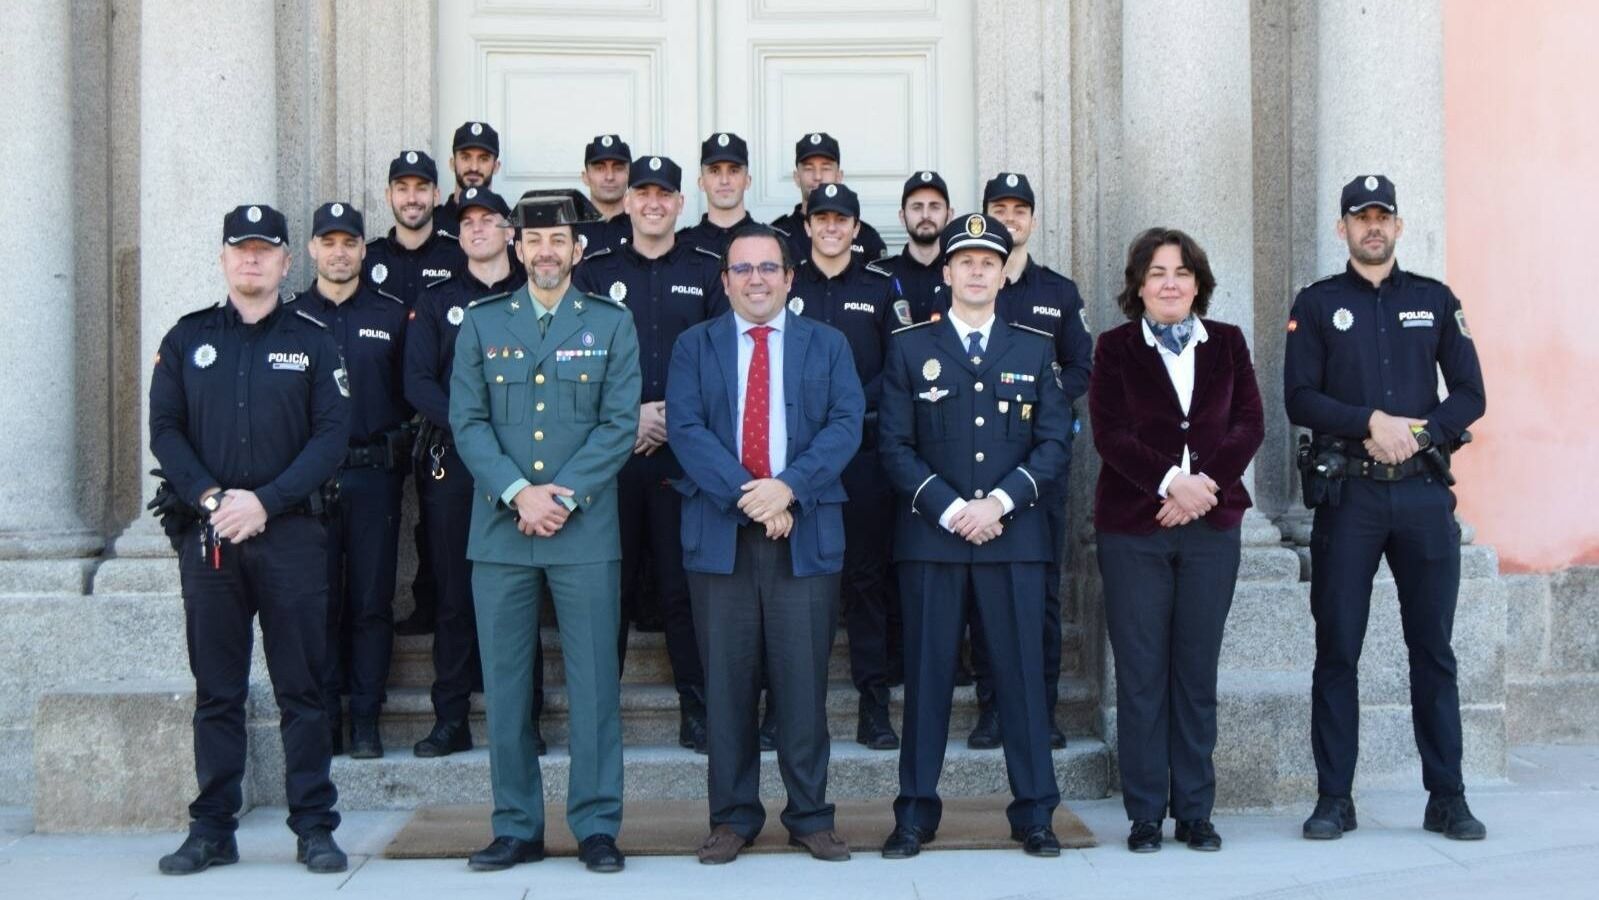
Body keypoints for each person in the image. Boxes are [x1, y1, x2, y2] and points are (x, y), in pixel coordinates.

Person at [1285, 174, 1488, 842]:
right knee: (1336, 648)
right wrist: (1371, 417)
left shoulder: (1433, 301)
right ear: (1341, 229)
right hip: (1350, 497)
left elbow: (1467, 393)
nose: (1371, 227)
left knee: (1431, 650)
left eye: (1382, 217)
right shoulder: (1316, 306)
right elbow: (1299, 398)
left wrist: (1420, 432)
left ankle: (1446, 797)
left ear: (1397, 227)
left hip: (1423, 496)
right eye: (1358, 218)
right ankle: (1333, 799)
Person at [150, 204, 351, 875]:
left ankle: (314, 826)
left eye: (265, 250)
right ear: (224, 259)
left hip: (291, 536)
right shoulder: (187, 340)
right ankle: (211, 828)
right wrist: (213, 500)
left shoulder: (316, 340)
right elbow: (166, 432)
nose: (253, 260)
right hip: (210, 539)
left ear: (286, 262)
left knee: (303, 688)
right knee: (217, 690)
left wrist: (264, 501)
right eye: (241, 249)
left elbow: (331, 438)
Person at [450, 189, 641, 873]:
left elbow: (619, 424)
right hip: (501, 531)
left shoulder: (612, 324)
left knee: (593, 684)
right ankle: (516, 826)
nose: (546, 252)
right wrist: (517, 493)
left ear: (577, 249)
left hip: (583, 531)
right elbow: (466, 421)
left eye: (558, 240)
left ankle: (595, 825)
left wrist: (557, 496)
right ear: (515, 247)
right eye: (533, 241)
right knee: (505, 687)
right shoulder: (481, 322)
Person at [668, 223, 865, 865]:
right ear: (724, 281)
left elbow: (844, 425)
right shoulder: (693, 346)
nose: (757, 279)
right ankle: (732, 817)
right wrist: (751, 496)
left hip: (802, 534)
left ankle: (810, 816)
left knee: (803, 683)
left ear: (789, 277)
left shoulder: (828, 344)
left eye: (768, 268)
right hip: (721, 536)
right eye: (743, 269)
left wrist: (788, 490)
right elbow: (688, 428)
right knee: (726, 684)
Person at [878, 213, 1069, 859]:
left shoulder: (1033, 346)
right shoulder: (910, 347)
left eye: (989, 260)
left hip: (1012, 539)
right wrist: (953, 507)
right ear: (947, 273)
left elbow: (1052, 443)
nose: (978, 270)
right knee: (928, 680)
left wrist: (998, 504)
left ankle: (1035, 811)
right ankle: (913, 814)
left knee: (1020, 680)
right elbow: (895, 447)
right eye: (966, 261)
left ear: (1002, 271)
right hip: (933, 541)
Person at [1089, 227, 1264, 853]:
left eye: (1182, 272)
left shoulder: (1228, 343)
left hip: (1212, 529)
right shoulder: (1112, 348)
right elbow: (1109, 432)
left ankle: (1194, 809)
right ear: (1139, 285)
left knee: (1195, 672)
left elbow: (1249, 423)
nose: (1170, 282)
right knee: (1140, 674)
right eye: (1158, 272)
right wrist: (1170, 483)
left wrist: (1204, 486)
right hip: (1134, 531)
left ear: (1199, 283)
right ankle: (1144, 813)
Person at [573, 156, 724, 752]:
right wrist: (631, 414)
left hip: (684, 456)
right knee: (605, 588)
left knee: (681, 588)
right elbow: (578, 357)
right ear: (628, 202)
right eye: (644, 193)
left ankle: (699, 710)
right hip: (610, 452)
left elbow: (719, 358)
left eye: (665, 194)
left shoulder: (707, 271)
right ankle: (599, 717)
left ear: (681, 204)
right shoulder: (595, 272)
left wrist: (668, 419)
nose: (654, 203)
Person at [962, 171, 1094, 752]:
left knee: (1039, 591)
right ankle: (992, 709)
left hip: (1038, 468)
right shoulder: (970, 284)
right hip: (970, 465)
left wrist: (1041, 401)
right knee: (979, 591)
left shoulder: (1059, 293)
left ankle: (1040, 710)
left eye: (1020, 210)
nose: (1011, 218)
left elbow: (1082, 367)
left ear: (1033, 220)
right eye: (1000, 208)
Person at [405, 187, 532, 758]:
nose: (478, 228)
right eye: (468, 221)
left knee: (522, 594)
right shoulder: (436, 302)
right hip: (455, 464)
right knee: (456, 596)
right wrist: (474, 430)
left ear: (511, 232)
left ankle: (524, 721)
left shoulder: (535, 294)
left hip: (526, 467)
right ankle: (450, 717)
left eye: (490, 220)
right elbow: (418, 384)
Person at [789, 182, 903, 749]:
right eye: (822, 218)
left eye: (842, 220)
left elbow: (900, 363)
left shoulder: (881, 289)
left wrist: (847, 411)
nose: (831, 228)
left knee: (865, 582)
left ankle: (873, 707)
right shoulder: (784, 284)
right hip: (794, 461)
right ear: (806, 225)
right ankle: (778, 711)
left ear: (857, 230)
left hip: (862, 457)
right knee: (790, 583)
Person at [300, 201, 413, 760]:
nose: (339, 253)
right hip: (307, 484)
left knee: (371, 602)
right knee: (316, 603)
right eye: (329, 242)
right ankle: (324, 719)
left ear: (364, 251)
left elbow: (410, 392)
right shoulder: (291, 317)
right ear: (312, 249)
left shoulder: (392, 314)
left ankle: (366, 719)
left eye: (350, 243)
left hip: (375, 477)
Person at [366, 148, 466, 638]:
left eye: (420, 188)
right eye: (402, 188)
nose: (411, 198)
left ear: (435, 193)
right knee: (383, 522)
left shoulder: (454, 256)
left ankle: (430, 604)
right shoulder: (370, 259)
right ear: (389, 196)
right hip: (383, 410)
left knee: (435, 516)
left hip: (437, 413)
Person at [770, 132, 887, 263]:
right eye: (809, 168)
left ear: (839, 176)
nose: (818, 176)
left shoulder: (866, 237)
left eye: (826, 168)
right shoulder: (776, 235)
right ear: (797, 177)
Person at [876, 171, 953, 325]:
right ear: (902, 216)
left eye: (935, 207)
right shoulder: (880, 276)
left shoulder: (961, 274)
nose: (925, 215)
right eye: (917, 207)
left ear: (949, 215)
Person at [677, 132, 760, 254]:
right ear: (701, 182)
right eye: (714, 171)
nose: (724, 180)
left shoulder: (769, 243)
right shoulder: (681, 245)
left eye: (733, 170)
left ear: (748, 181)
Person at [436, 121, 503, 238]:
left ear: (496, 166)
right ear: (452, 164)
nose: (474, 167)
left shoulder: (508, 224)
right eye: (466, 158)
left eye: (483, 159)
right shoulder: (431, 225)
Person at [573, 134, 634, 253]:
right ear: (585, 177)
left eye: (618, 168)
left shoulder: (642, 228)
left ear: (630, 176)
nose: (610, 177)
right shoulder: (569, 228)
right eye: (599, 168)